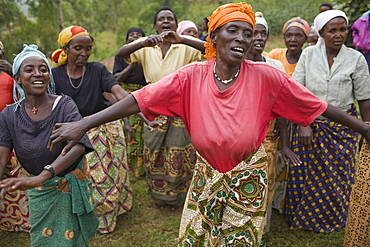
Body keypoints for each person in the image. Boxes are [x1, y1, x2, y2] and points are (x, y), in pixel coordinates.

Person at [47, 3, 370, 246]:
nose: (242, 38)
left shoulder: (268, 77)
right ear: (213, 36)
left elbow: (318, 106)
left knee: (239, 240)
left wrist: (365, 128)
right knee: (195, 238)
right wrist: (85, 123)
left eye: (248, 32)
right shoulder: (192, 76)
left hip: (249, 174)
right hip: (205, 174)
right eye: (233, 30)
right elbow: (139, 99)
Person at [0, 44, 98, 246]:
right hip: (39, 192)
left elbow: (78, 146)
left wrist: (44, 175)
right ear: (17, 78)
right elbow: (2, 155)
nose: (38, 74)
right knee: (42, 238)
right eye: (29, 70)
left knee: (73, 240)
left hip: (65, 185)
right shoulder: (9, 115)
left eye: (43, 69)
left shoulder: (64, 105)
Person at [285, 10, 370, 233]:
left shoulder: (356, 58)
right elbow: (297, 92)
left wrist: (366, 131)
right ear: (321, 32)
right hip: (310, 122)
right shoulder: (309, 54)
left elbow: (364, 98)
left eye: (342, 29)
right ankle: (302, 217)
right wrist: (304, 124)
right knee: (304, 173)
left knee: (339, 175)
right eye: (332, 30)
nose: (339, 34)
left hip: (342, 127)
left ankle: (333, 217)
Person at [116, 6, 205, 210]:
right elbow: (121, 54)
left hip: (181, 105)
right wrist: (142, 42)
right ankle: (159, 194)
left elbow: (210, 50)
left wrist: (183, 39)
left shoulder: (185, 46)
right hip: (153, 105)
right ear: (155, 26)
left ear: (175, 24)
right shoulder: (146, 47)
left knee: (180, 151)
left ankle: (177, 196)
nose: (165, 22)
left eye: (170, 19)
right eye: (161, 19)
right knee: (154, 151)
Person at [51, 26, 133, 234]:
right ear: (65, 49)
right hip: (71, 132)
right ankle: (81, 215)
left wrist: (139, 109)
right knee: (80, 177)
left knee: (106, 176)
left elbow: (118, 92)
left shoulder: (97, 70)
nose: (84, 53)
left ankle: (104, 217)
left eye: (88, 48)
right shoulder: (54, 76)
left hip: (101, 129)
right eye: (78, 48)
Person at [246, 11, 286, 233]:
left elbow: (280, 106)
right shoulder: (236, 65)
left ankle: (261, 228)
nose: (259, 38)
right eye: (254, 33)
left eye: (263, 34)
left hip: (268, 135)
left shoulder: (275, 66)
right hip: (242, 135)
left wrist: (285, 144)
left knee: (265, 180)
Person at [0, 41, 30, 232]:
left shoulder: (9, 76)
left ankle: (20, 219)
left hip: (10, 131)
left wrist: (13, 72)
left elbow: (25, 99)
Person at [113, 27, 147, 177]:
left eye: (138, 35)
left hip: (143, 95)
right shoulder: (121, 56)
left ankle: (140, 169)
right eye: (131, 35)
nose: (134, 37)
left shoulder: (147, 55)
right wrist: (130, 66)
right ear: (126, 40)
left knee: (142, 134)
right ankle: (125, 168)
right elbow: (116, 79)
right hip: (124, 96)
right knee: (127, 133)